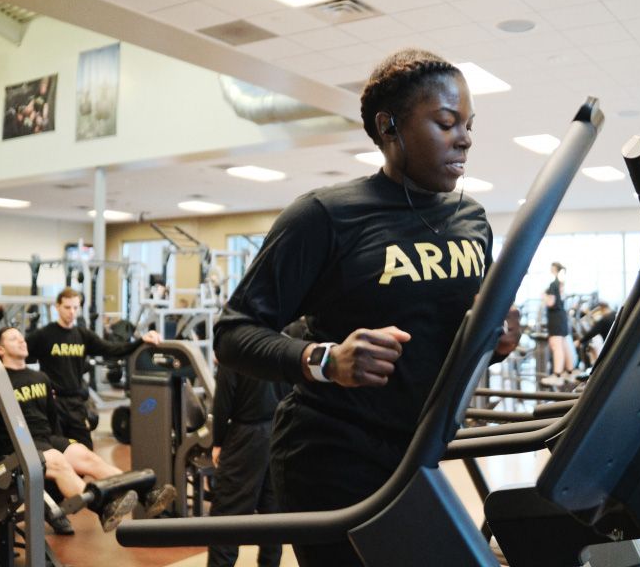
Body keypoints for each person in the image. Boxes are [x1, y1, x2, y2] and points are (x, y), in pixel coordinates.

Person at [214, 48, 518, 566]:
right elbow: (233, 333)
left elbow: (452, 336)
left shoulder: (471, 219)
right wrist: (326, 360)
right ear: (388, 126)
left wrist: (498, 340)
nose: (465, 138)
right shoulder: (325, 216)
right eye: (446, 123)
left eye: (468, 125)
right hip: (332, 456)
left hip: (417, 452)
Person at [0, 327, 176, 533]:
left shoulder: (40, 378)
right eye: (13, 339)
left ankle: (146, 493)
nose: (22, 341)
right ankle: (103, 508)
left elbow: (52, 419)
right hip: (18, 445)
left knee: (86, 456)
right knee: (58, 461)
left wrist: (61, 444)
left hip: (46, 439)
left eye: (21, 337)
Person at [25, 287, 161, 449]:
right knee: (56, 450)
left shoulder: (83, 335)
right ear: (57, 307)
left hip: (75, 402)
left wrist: (141, 341)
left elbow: (113, 349)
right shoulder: (44, 335)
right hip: (53, 402)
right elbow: (19, 357)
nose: (72, 312)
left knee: (85, 449)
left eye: (75, 308)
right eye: (67, 307)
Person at [206, 361, 288, 567]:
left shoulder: (234, 351)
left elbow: (223, 401)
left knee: (227, 515)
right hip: (280, 431)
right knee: (272, 512)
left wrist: (218, 442)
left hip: (246, 436)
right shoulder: (283, 345)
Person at [541, 261, 575, 386]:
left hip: (555, 317)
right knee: (564, 344)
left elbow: (551, 303)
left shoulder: (553, 284)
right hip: (562, 317)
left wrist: (544, 296)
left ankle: (557, 375)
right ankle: (569, 372)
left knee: (556, 346)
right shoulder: (561, 283)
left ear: (554, 269)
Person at [574, 301, 616, 366]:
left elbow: (592, 333)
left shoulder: (604, 320)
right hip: (615, 343)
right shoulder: (615, 314)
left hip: (610, 347)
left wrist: (580, 341)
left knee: (591, 346)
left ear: (602, 309)